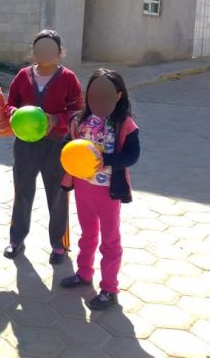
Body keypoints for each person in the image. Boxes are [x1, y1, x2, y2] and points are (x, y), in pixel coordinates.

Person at [59, 68, 140, 311]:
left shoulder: (125, 123)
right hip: (83, 188)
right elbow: (68, 144)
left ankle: (109, 289)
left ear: (118, 95)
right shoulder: (80, 119)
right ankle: (84, 273)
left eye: (106, 94)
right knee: (87, 235)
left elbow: (132, 155)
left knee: (110, 240)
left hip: (108, 192)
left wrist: (106, 159)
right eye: (94, 93)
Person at [3, 29, 83, 263]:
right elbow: (9, 104)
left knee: (57, 194)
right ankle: (16, 240)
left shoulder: (68, 78)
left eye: (50, 48)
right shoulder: (23, 75)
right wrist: (14, 113)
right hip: (25, 145)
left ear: (59, 52)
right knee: (22, 191)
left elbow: (77, 111)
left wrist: (56, 119)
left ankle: (59, 245)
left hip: (56, 145)